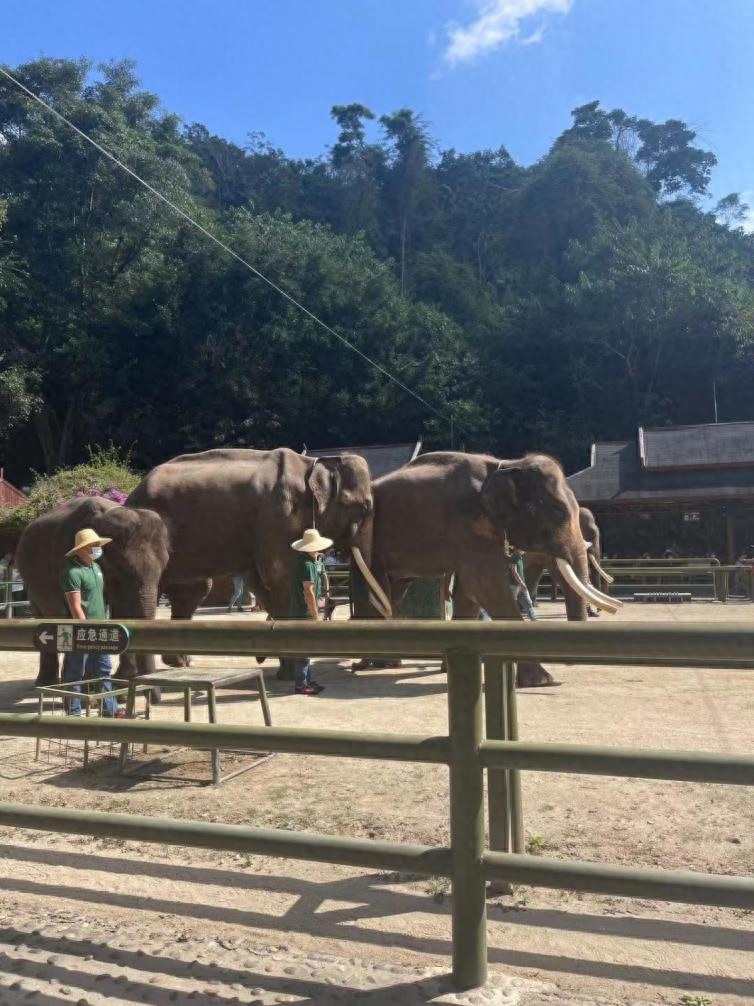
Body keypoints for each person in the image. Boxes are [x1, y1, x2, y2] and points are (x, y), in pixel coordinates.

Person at [62, 528, 124, 717]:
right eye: (93, 545)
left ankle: (110, 709)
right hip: (81, 630)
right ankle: (73, 713)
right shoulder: (72, 572)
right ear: (81, 548)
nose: (97, 548)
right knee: (76, 671)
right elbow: (75, 607)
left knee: (104, 669)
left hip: (100, 628)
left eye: (97, 544)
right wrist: (85, 628)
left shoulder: (96, 568)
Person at [281, 527, 332, 695]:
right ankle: (301, 684)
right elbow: (308, 591)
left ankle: (307, 680)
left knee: (305, 649)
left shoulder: (306, 562)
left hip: (300, 611)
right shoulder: (307, 564)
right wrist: (316, 615)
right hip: (304, 613)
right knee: (303, 649)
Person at [508, 549, 537, 621]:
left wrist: (522, 584)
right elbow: (514, 572)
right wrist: (522, 583)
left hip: (521, 586)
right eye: (521, 549)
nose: (524, 551)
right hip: (514, 586)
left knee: (528, 603)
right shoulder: (513, 558)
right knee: (512, 605)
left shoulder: (520, 558)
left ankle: (534, 620)